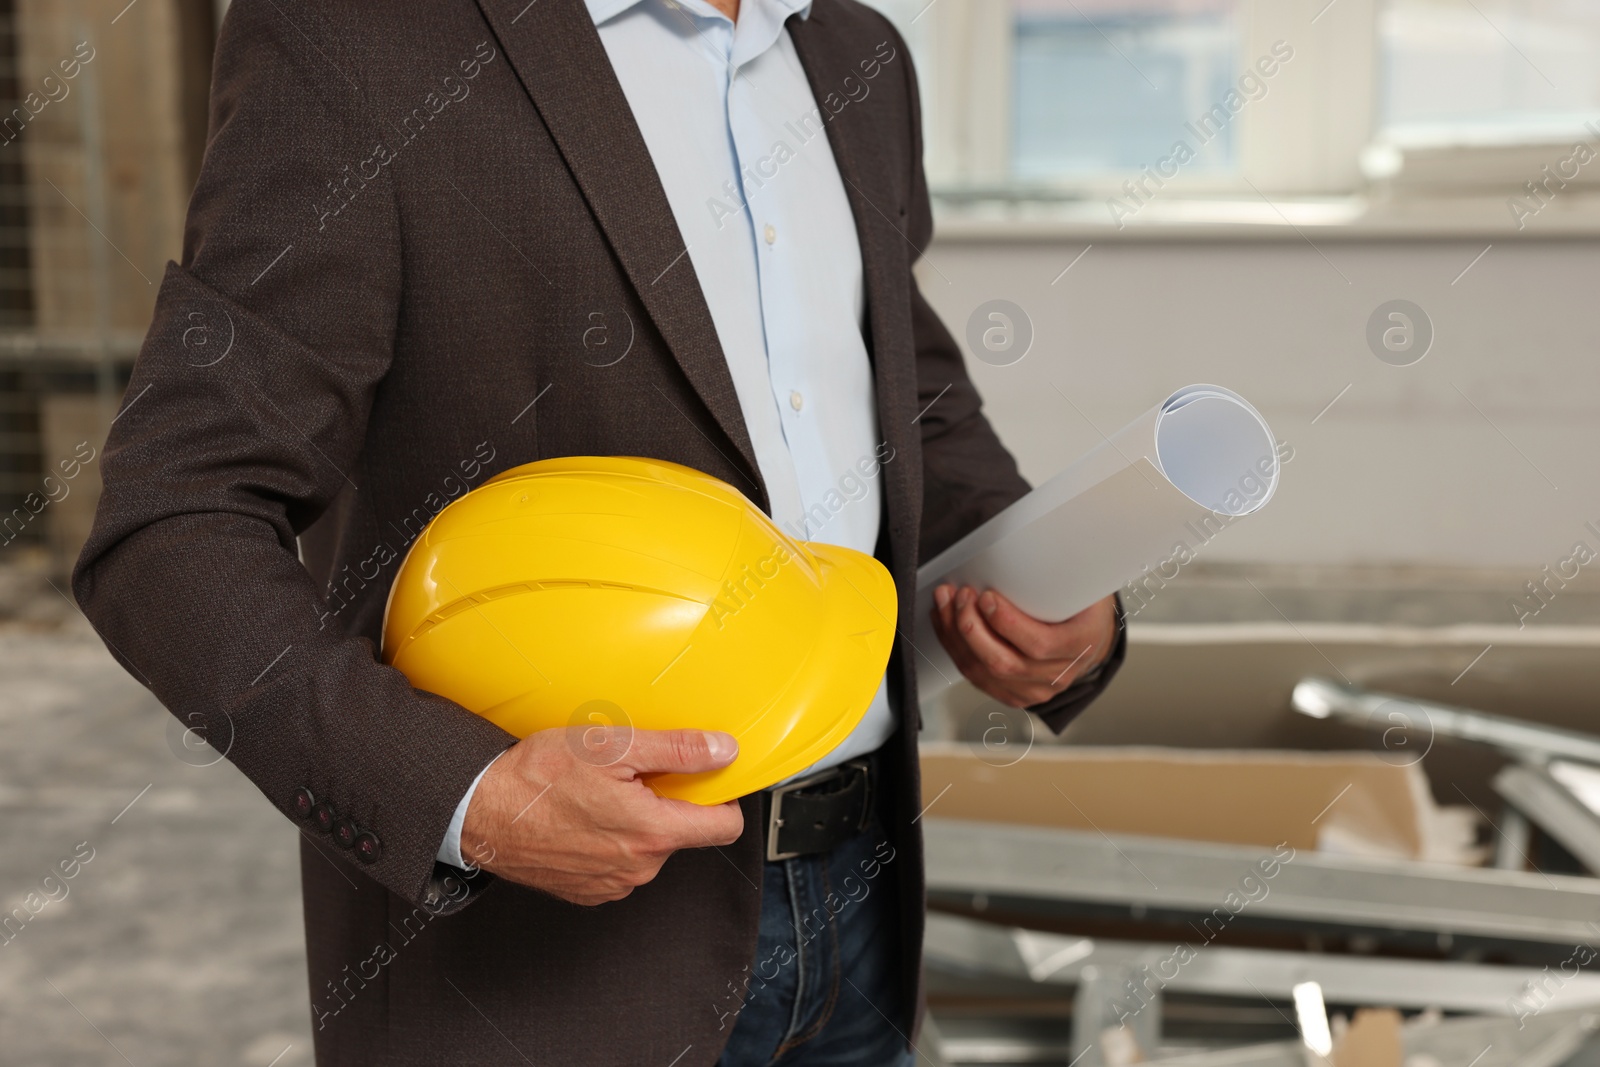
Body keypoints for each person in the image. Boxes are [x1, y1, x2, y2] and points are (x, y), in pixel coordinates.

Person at [72, 0, 1125, 1064]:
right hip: (548, 974)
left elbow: (900, 389)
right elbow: (176, 513)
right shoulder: (358, 39)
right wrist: (464, 794)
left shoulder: (858, 54)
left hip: (859, 906)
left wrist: (1038, 579)